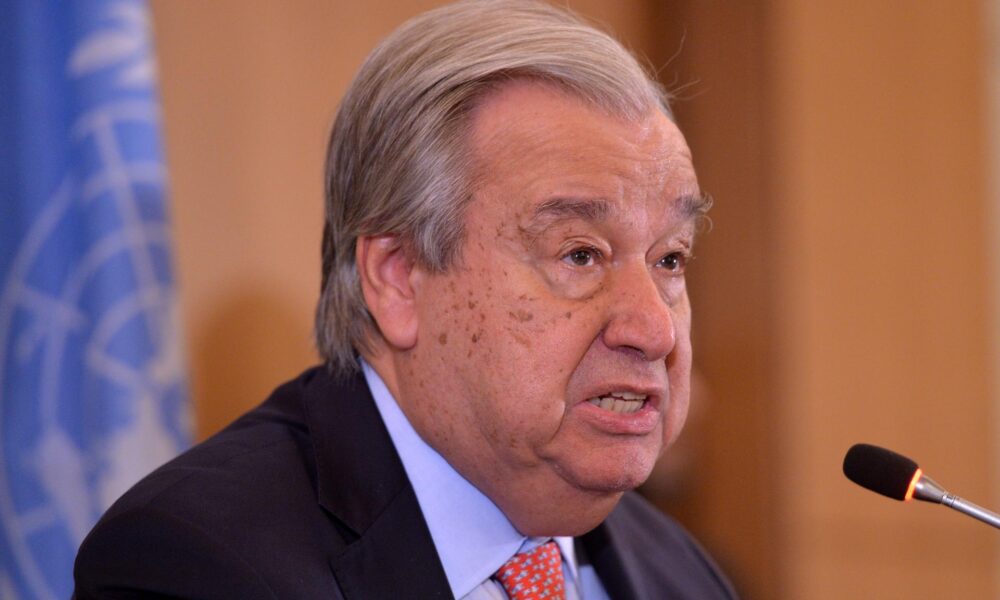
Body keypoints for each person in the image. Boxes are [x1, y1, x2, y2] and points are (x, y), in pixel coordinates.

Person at [74, 1, 738, 598]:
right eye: (580, 255)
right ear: (397, 278)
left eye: (670, 259)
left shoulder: (681, 573)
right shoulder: (193, 566)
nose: (653, 329)